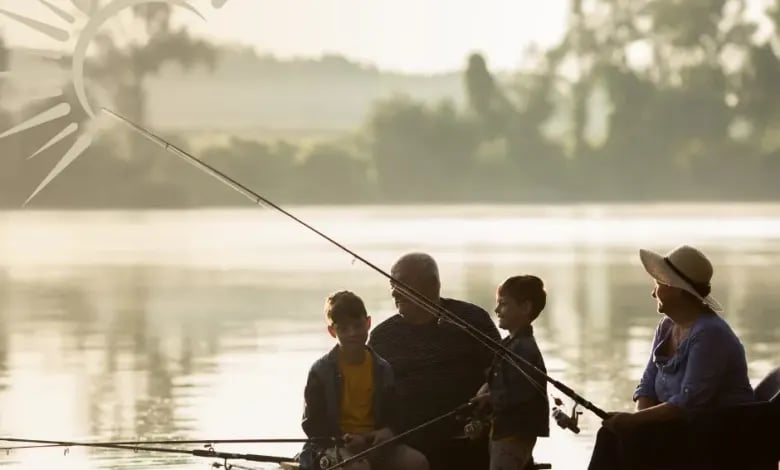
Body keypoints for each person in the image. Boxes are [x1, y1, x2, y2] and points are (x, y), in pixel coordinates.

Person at [588, 244, 756, 470]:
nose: (653, 292)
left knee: (624, 436)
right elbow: (647, 385)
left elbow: (688, 403)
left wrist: (634, 422)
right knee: (614, 434)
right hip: (680, 430)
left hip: (717, 436)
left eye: (658, 284)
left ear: (676, 288)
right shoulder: (666, 327)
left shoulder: (709, 333)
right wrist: (637, 424)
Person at [367, 253, 501, 470]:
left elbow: (504, 371)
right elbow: (373, 396)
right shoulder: (383, 336)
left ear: (433, 285)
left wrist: (490, 388)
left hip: (471, 434)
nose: (394, 292)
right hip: (410, 437)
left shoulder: (472, 318)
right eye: (392, 284)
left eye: (402, 284)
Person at [300, 290, 429, 470]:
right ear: (331, 331)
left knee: (417, 462)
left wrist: (387, 432)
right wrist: (342, 439)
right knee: (359, 468)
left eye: (357, 326)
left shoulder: (383, 369)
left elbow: (396, 415)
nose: (352, 333)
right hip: (334, 446)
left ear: (368, 323)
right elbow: (312, 425)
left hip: (373, 443)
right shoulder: (320, 372)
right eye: (344, 329)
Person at [469, 275, 550, 470]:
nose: (497, 310)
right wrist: (486, 388)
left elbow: (519, 393)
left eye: (503, 304)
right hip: (505, 428)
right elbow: (498, 376)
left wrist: (489, 398)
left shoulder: (524, 349)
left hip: (515, 432)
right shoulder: (510, 344)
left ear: (525, 308)